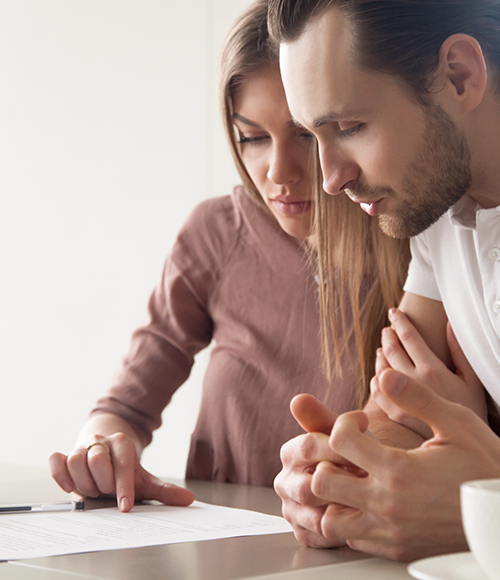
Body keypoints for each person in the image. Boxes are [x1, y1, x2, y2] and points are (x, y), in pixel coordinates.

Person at [48, 0, 409, 514]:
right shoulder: (216, 233)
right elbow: (123, 407)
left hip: (357, 543)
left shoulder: (416, 240)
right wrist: (103, 447)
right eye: (252, 138)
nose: (278, 172)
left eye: (304, 135)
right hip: (222, 545)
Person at [267, 0, 500, 562]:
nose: (328, 179)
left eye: (349, 126)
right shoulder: (439, 211)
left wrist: (481, 508)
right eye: (312, 135)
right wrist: (341, 473)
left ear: (459, 76)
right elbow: (403, 417)